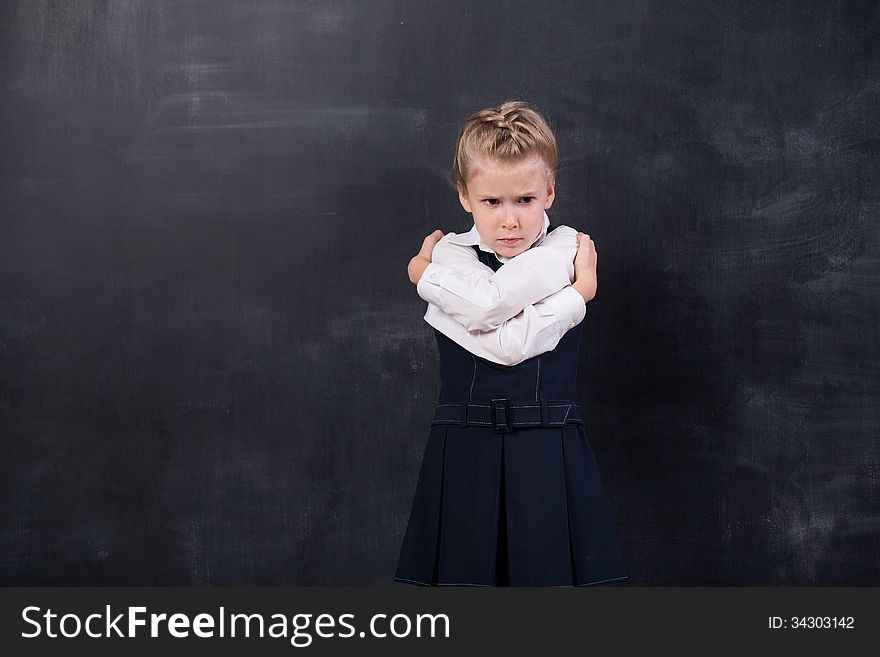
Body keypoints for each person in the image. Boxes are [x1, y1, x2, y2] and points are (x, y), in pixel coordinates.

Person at [394, 101, 628, 587]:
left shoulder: (564, 246)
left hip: (548, 449)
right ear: (464, 196)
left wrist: (425, 278)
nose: (509, 222)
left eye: (524, 200)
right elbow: (490, 312)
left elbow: (497, 330)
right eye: (491, 202)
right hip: (463, 450)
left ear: (549, 192)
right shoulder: (451, 253)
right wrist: (577, 297)